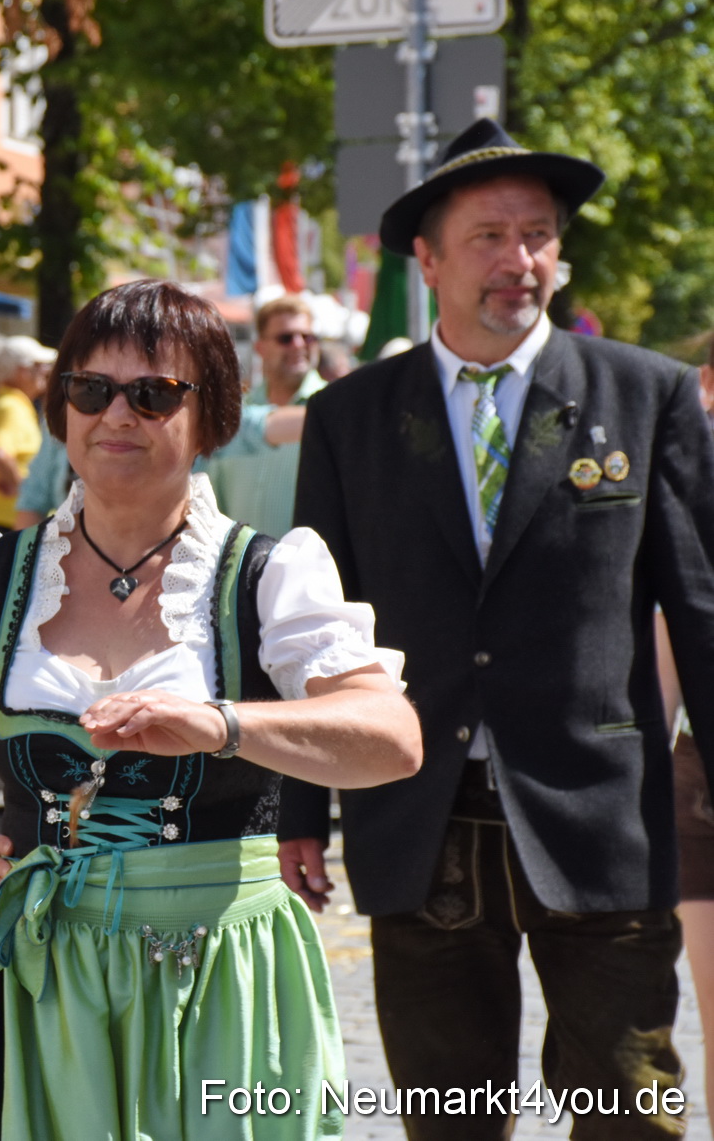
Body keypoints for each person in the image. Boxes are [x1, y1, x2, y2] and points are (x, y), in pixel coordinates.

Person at [0, 279, 419, 1140]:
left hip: (221, 976)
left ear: (213, 418)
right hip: (35, 970)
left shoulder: (266, 573)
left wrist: (226, 725)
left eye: (154, 393)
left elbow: (393, 739)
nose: (116, 414)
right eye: (91, 389)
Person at [281, 119, 714, 1139]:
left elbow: (699, 605)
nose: (518, 259)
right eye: (487, 236)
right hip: (417, 816)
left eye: (537, 235)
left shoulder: (644, 397)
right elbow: (311, 629)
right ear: (425, 258)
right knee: (450, 1115)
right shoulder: (352, 417)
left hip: (599, 814)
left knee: (627, 1108)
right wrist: (297, 805)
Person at [200, 294, 324, 538]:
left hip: (307, 571)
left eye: (307, 337)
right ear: (260, 347)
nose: (299, 345)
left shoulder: (334, 411)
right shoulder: (237, 416)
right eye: (286, 338)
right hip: (237, 571)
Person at [0, 335, 54, 531]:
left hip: (1, 517)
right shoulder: (11, 407)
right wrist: (25, 491)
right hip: (15, 521)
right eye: (39, 365)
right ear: (22, 371)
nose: (46, 370)